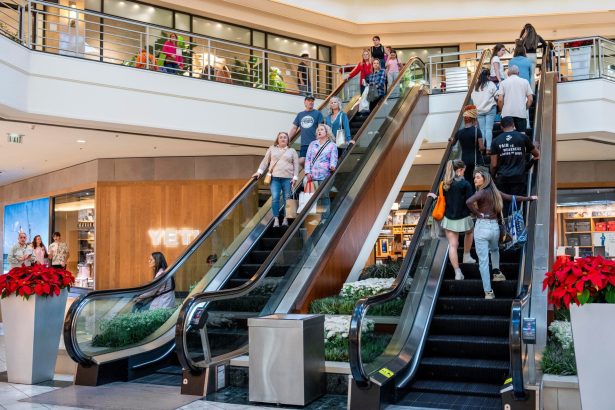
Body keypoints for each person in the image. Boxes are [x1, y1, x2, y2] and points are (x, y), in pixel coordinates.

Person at [466, 167, 536, 299]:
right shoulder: (495, 192)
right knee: (494, 250)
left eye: (478, 177)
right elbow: (511, 197)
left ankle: (488, 292)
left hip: (482, 227)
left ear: (485, 179)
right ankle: (497, 272)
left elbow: (468, 202)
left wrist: (478, 213)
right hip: (495, 228)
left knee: (483, 262)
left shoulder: (481, 193)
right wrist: (529, 198)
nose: (475, 179)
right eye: (475, 177)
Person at [428, 160, 475, 281]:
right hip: (464, 218)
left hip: (449, 219)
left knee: (453, 245)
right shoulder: (465, 184)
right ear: (459, 170)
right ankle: (466, 255)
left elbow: (442, 199)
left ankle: (457, 272)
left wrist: (435, 197)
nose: (464, 173)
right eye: (463, 171)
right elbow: (470, 202)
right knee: (470, 232)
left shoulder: (444, 184)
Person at [491, 116, 541, 210]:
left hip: (502, 178)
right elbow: (536, 154)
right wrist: (534, 146)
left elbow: (494, 164)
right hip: (518, 177)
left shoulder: (495, 141)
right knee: (516, 204)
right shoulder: (523, 137)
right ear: (513, 125)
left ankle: (505, 218)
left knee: (504, 204)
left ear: (501, 127)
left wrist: (492, 177)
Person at [253, 131, 300, 227]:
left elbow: (296, 165)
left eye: (285, 137)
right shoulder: (272, 149)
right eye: (281, 137)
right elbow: (265, 162)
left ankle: (285, 219)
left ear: (288, 140)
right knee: (275, 198)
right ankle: (276, 219)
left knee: (287, 198)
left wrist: (295, 177)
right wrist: (259, 172)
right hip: (275, 178)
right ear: (277, 140)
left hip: (288, 179)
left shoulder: (292, 151)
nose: (283, 139)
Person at [305, 124, 338, 215]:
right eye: (318, 130)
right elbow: (308, 158)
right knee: (313, 197)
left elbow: (334, 158)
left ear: (327, 132)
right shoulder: (312, 144)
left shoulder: (332, 145)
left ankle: (325, 218)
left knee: (324, 196)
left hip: (325, 175)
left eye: (321, 130)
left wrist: (332, 166)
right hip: (312, 175)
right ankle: (315, 218)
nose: (319, 131)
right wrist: (307, 172)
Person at [451, 105, 485, 187]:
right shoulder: (476, 131)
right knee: (478, 181)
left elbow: (452, 143)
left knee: (468, 181)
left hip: (465, 161)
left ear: (464, 119)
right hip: (476, 160)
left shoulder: (459, 132)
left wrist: (451, 139)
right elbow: (481, 147)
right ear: (473, 118)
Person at [496, 65, 534, 134]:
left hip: (507, 113)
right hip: (520, 113)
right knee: (522, 134)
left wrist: (501, 110)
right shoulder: (525, 82)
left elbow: (500, 100)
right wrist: (525, 108)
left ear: (508, 73)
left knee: (508, 135)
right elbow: (530, 99)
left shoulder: (503, 83)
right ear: (518, 73)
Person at [289, 95, 324, 166]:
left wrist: (320, 141)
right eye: (309, 100)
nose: (311, 102)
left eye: (312, 101)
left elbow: (321, 128)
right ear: (305, 102)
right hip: (304, 143)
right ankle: (307, 171)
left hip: (315, 143)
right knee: (302, 161)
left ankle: (309, 172)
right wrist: (288, 139)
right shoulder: (300, 114)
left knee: (314, 162)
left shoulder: (318, 113)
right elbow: (294, 128)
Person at [471, 69, 498, 152]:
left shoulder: (476, 86)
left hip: (479, 110)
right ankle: (489, 148)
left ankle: (482, 148)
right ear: (488, 76)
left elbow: (472, 98)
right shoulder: (491, 84)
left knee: (482, 130)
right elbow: (497, 96)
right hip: (490, 109)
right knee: (488, 129)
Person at [519, 23, 546, 89]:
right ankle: (532, 91)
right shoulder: (537, 36)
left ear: (526, 29)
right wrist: (536, 47)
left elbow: (519, 43)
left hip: (526, 56)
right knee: (532, 75)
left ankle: (526, 90)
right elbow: (545, 44)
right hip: (534, 56)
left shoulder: (524, 37)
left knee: (526, 74)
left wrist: (523, 32)